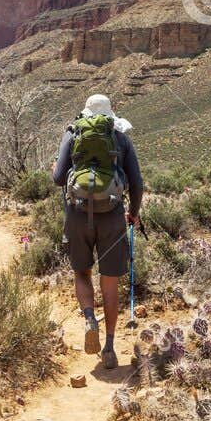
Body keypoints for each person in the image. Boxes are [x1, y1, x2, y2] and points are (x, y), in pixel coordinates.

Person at [50, 93, 144, 368]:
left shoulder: (73, 132)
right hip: (112, 215)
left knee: (82, 271)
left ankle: (90, 318)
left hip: (77, 214)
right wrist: (133, 214)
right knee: (110, 279)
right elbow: (137, 183)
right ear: (110, 114)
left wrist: (56, 170)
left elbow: (58, 179)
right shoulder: (121, 137)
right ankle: (110, 347)